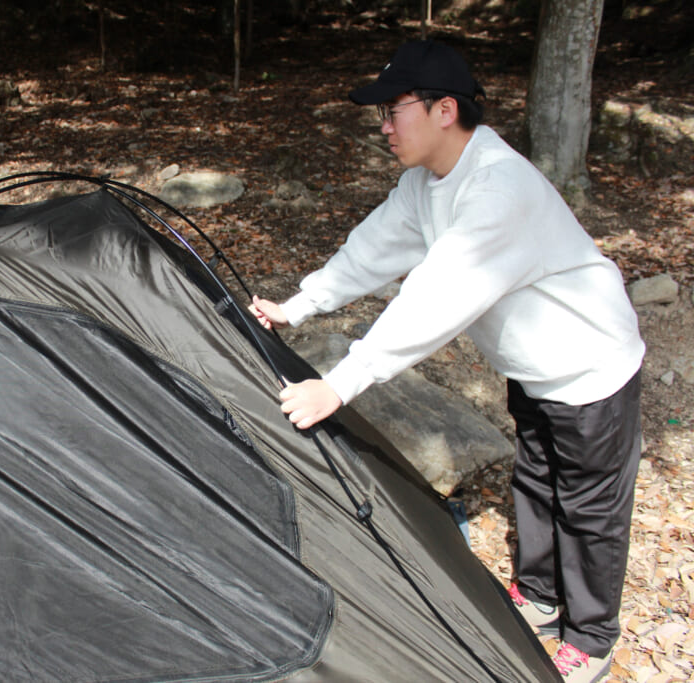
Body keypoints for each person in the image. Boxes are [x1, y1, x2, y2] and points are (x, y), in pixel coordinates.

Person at [249, 40, 644, 683]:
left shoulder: (498, 188)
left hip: (591, 365)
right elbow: (371, 251)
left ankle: (592, 637)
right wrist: (298, 306)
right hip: (533, 366)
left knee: (590, 507)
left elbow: (436, 297)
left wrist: (341, 384)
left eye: (392, 109)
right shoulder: (425, 185)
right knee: (539, 480)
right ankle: (542, 596)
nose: (383, 125)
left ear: (443, 110)